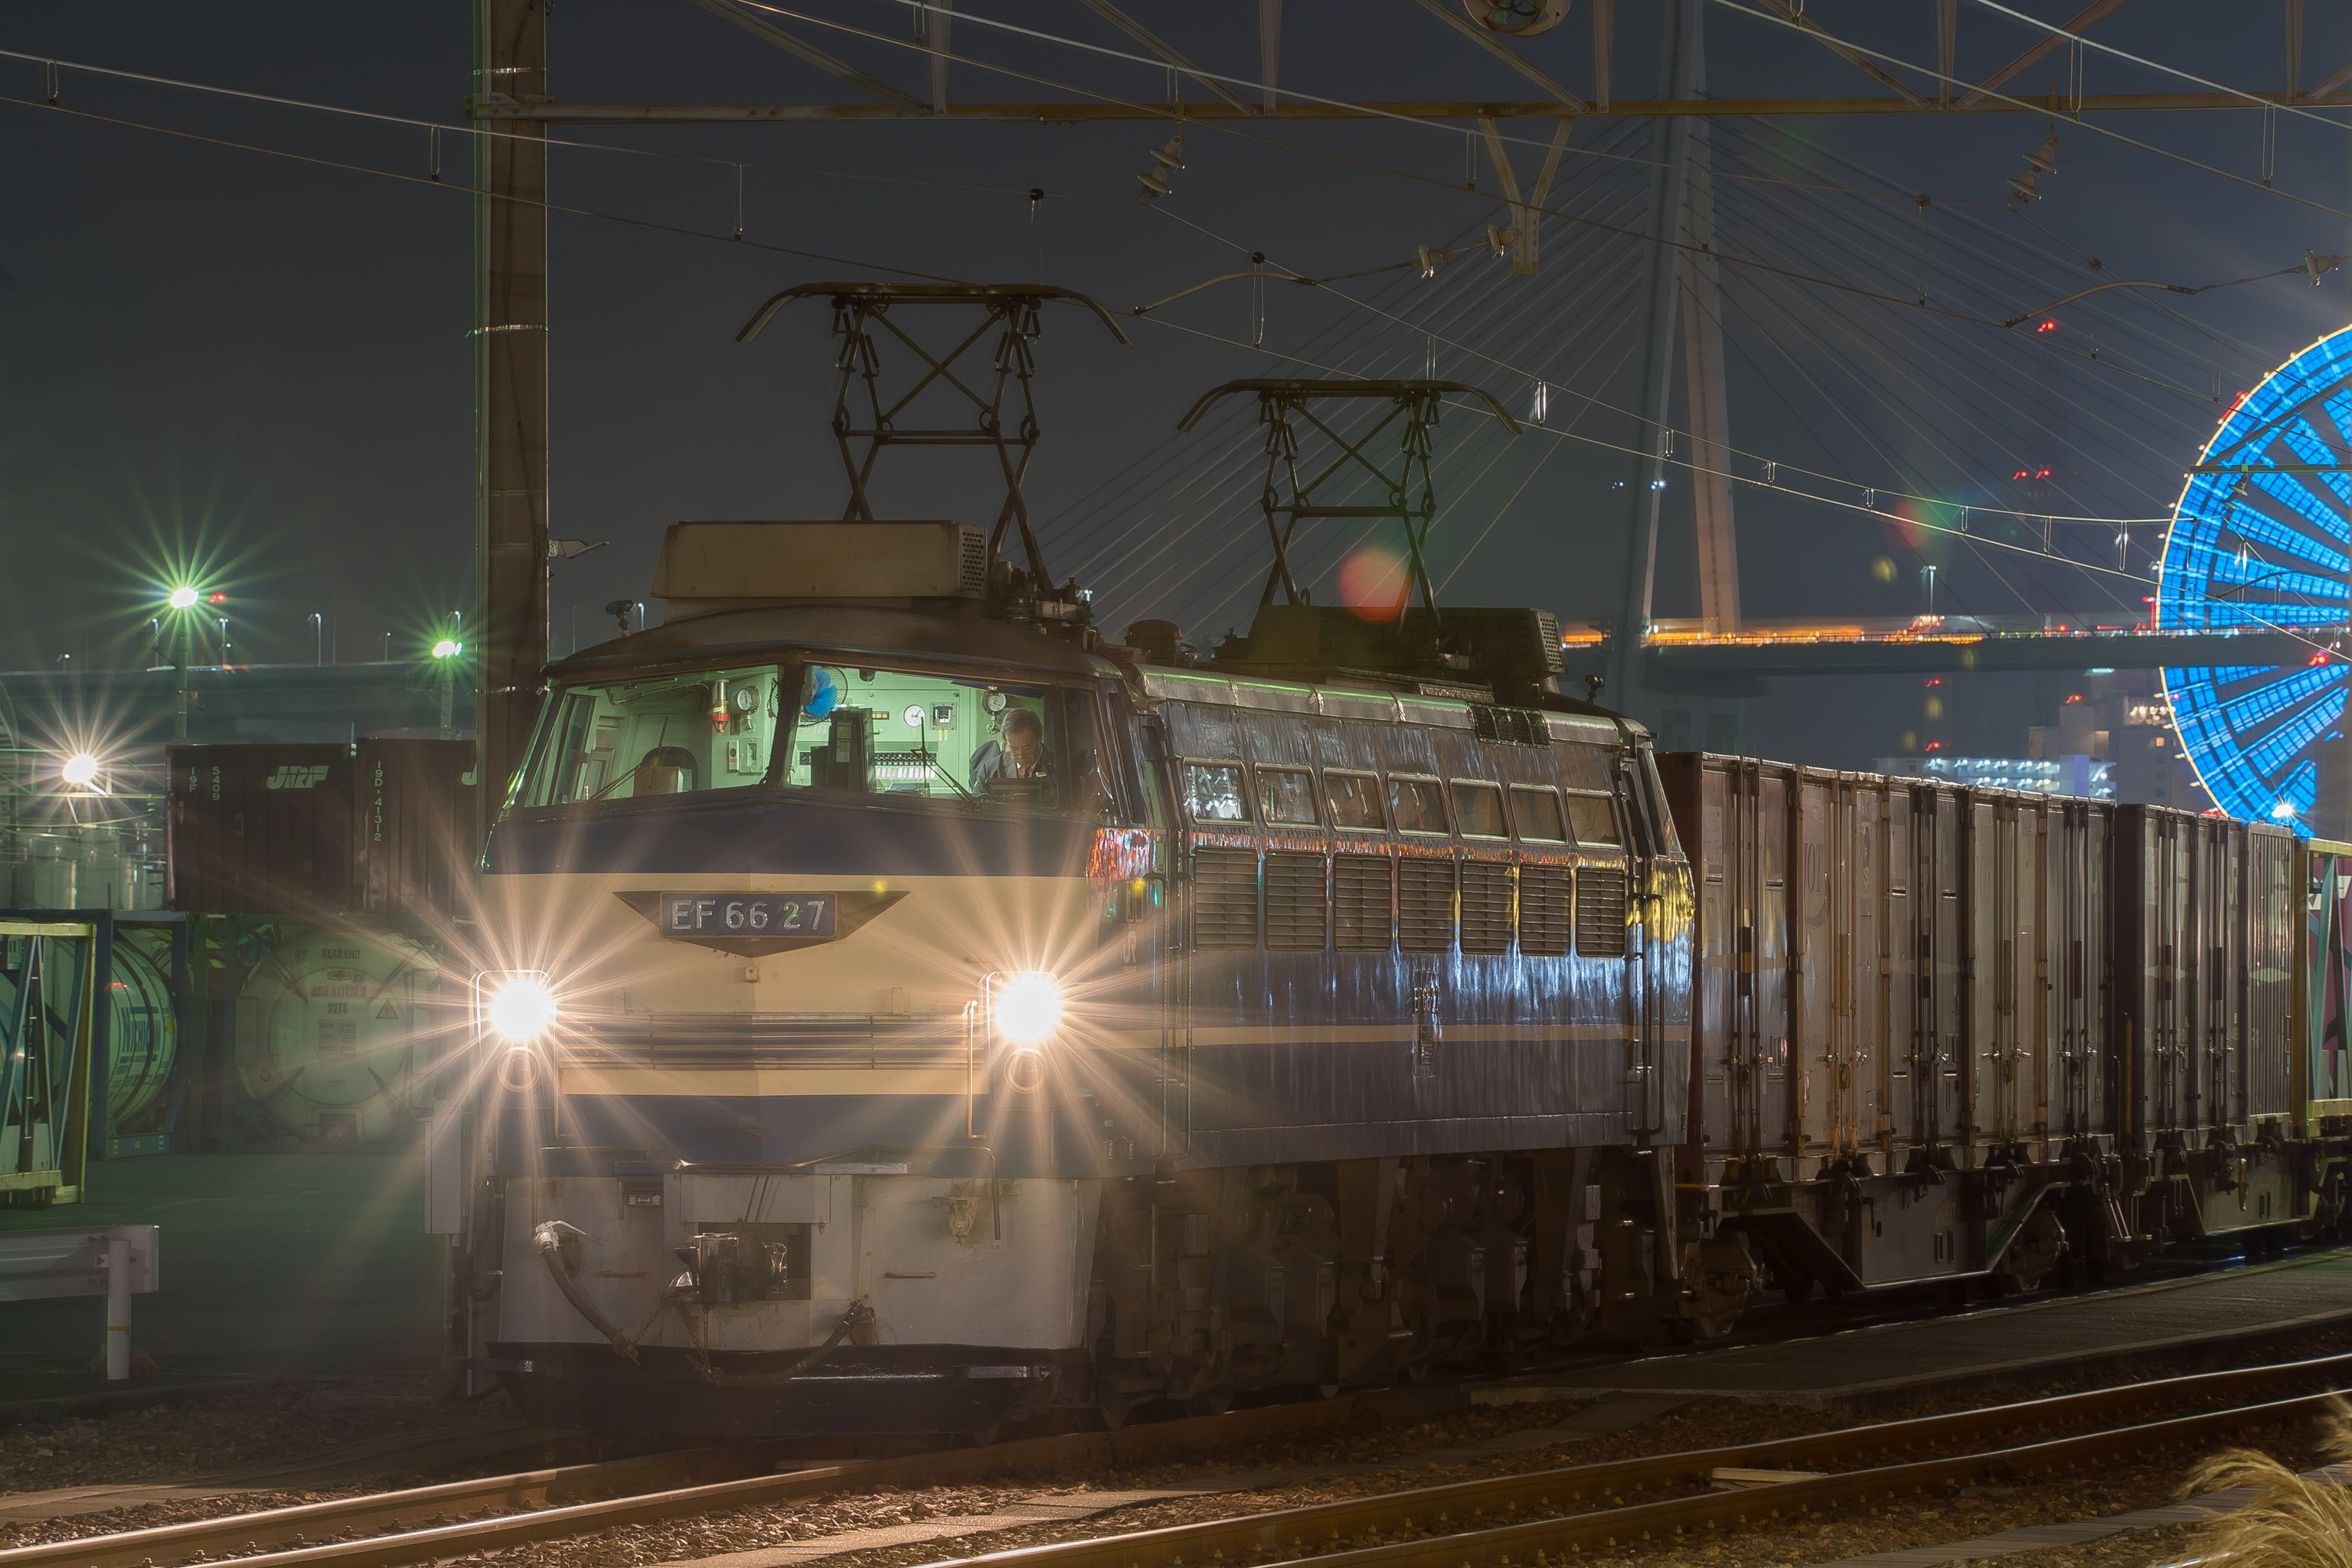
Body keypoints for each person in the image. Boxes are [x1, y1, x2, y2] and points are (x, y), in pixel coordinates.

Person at [969, 708, 1057, 790]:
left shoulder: (1059, 768)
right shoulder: (989, 771)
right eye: (1013, 748)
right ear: (1006, 742)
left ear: (1039, 738)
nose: (1020, 755)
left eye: (1027, 748)